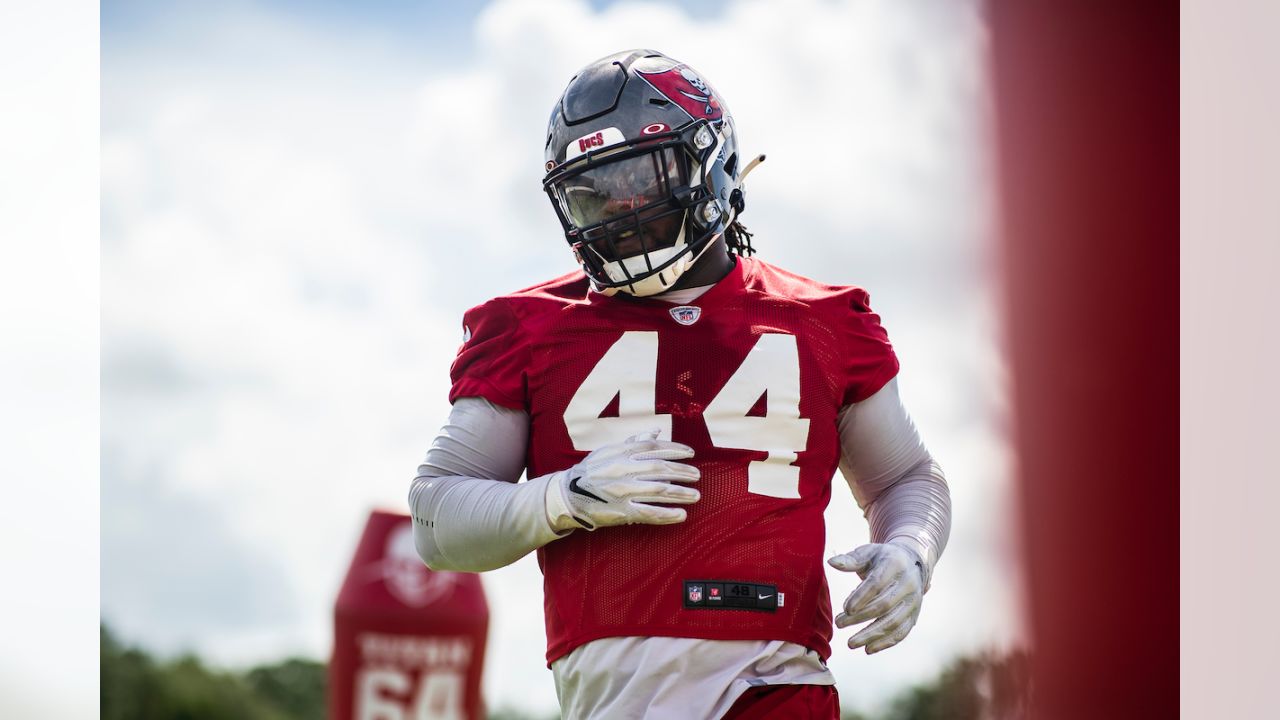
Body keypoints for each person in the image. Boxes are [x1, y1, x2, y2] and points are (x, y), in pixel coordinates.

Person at [409, 49, 951, 720]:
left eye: (641, 177)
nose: (621, 209)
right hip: (612, 697)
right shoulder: (528, 327)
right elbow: (435, 518)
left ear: (711, 163)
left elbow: (905, 477)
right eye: (594, 192)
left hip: (778, 680)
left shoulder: (823, 319)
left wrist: (910, 551)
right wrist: (562, 498)